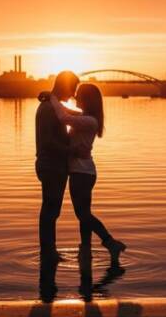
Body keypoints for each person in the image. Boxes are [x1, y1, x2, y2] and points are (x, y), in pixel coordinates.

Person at [41, 83, 126, 266]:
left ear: (87, 99)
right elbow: (64, 111)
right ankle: (85, 250)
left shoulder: (89, 121)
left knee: (83, 214)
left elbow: (63, 117)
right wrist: (49, 97)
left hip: (81, 172)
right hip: (83, 171)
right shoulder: (86, 118)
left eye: (78, 95)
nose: (74, 98)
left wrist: (52, 98)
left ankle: (110, 243)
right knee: (84, 213)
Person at [35, 71, 82, 260]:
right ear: (65, 86)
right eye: (73, 89)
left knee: (52, 209)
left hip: (54, 165)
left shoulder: (53, 106)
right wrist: (71, 151)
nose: (73, 95)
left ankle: (49, 251)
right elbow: (48, 141)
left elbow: (75, 116)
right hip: (51, 165)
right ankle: (48, 251)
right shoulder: (48, 109)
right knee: (50, 209)